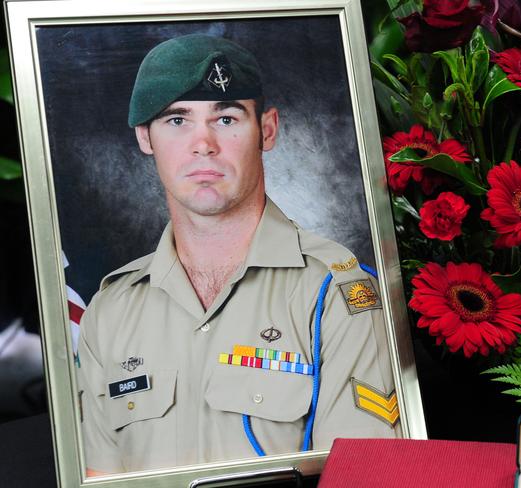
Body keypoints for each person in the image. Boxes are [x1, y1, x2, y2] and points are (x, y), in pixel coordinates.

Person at [77, 34, 399, 475]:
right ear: (144, 137)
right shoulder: (110, 309)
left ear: (266, 130)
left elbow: (367, 476)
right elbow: (100, 478)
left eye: (226, 118)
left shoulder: (337, 294)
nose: (203, 143)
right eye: (177, 120)